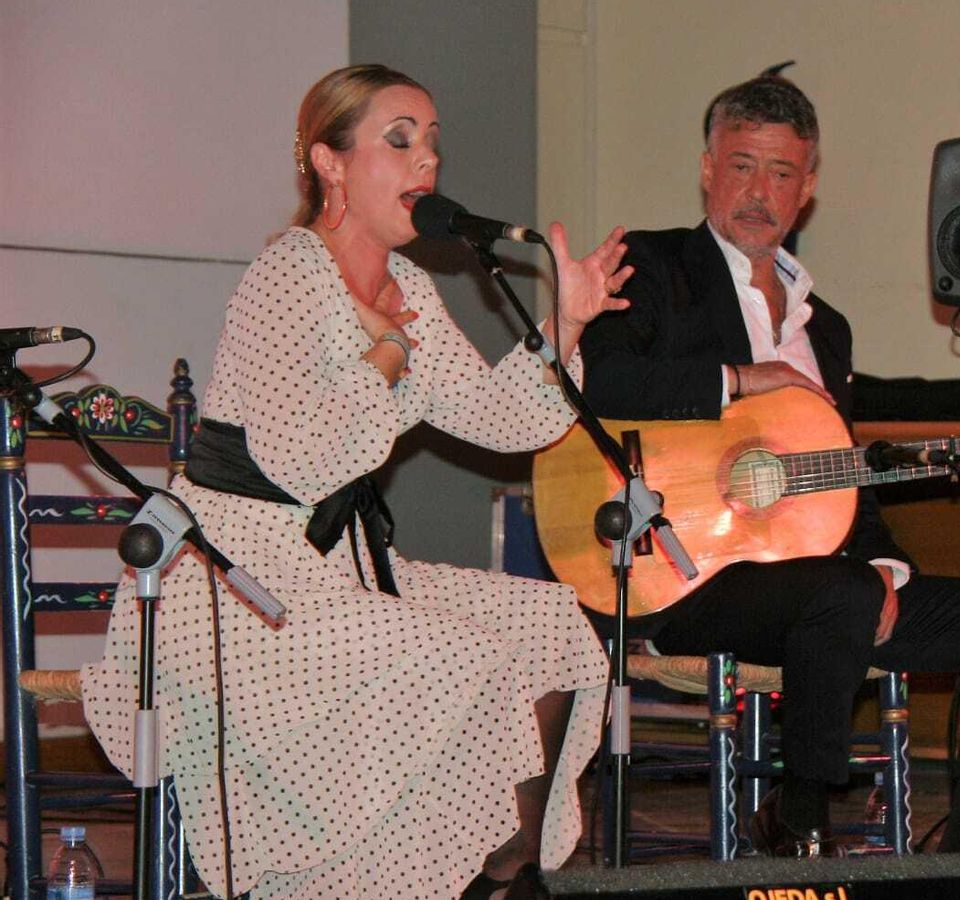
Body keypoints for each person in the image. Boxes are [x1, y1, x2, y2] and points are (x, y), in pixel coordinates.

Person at [80, 65, 631, 900]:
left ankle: (502, 875)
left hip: (331, 571)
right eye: (399, 140)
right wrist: (388, 355)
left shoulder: (410, 286)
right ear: (329, 164)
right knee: (465, 660)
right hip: (233, 585)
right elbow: (301, 462)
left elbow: (505, 420)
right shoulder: (288, 274)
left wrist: (567, 322)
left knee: (547, 622)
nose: (426, 164)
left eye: (433, 143)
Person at [577, 74, 960, 857]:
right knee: (835, 595)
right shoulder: (653, 269)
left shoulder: (825, 329)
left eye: (781, 173)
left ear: (807, 189)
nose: (758, 192)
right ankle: (799, 814)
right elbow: (598, 384)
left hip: (818, 588)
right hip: (682, 574)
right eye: (742, 165)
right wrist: (742, 379)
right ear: (707, 168)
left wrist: (884, 566)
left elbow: (841, 481)